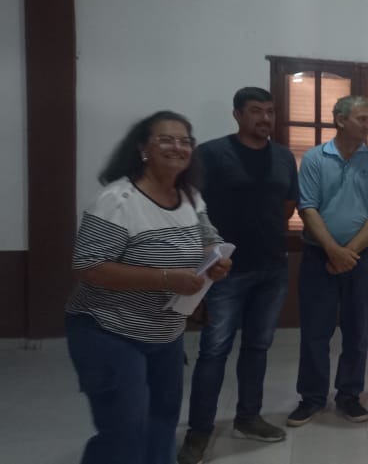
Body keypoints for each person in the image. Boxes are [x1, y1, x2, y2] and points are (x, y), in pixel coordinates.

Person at [66, 111, 232, 464]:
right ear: (143, 148)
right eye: (165, 139)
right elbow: (87, 266)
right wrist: (166, 278)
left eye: (185, 141)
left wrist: (216, 258)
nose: (177, 147)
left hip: (165, 332)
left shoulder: (189, 196)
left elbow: (208, 237)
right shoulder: (118, 200)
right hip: (109, 331)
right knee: (124, 429)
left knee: (162, 420)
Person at [178, 88, 299, 463]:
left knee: (258, 347)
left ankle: (248, 417)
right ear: (237, 115)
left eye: (270, 111)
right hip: (226, 271)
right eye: (256, 111)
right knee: (214, 351)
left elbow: (288, 203)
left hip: (272, 267)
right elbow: (191, 207)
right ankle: (199, 431)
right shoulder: (212, 154)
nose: (265, 118)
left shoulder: (283, 156)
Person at [288, 95, 368, 427]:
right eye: (362, 118)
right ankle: (312, 397)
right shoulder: (315, 158)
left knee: (357, 331)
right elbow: (307, 208)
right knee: (315, 332)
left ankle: (349, 395)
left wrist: (348, 253)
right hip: (319, 257)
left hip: (363, 260)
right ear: (340, 119)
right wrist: (333, 250)